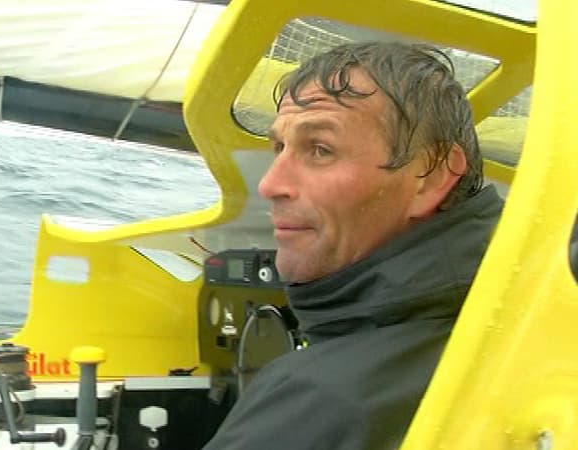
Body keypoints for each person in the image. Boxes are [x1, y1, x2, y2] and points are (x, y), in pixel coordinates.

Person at [201, 41, 504, 449]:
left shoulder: (316, 402)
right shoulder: (516, 324)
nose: (270, 184)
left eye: (320, 150)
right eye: (279, 148)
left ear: (431, 177)